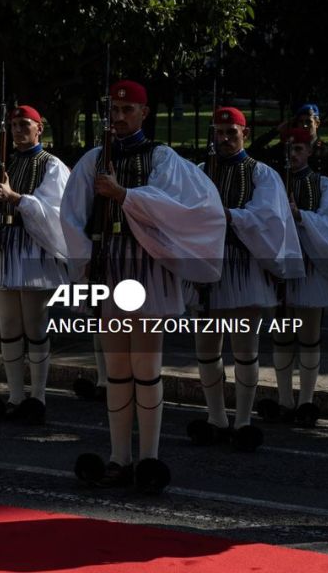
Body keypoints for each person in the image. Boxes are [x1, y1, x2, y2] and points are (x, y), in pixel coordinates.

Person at [62, 80, 225, 492]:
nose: (119, 118)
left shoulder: (162, 158)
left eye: (128, 110)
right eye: (114, 111)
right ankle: (119, 457)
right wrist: (86, 266)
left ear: (144, 113)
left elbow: (181, 209)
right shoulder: (93, 159)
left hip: (147, 270)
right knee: (117, 371)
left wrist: (123, 195)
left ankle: (149, 457)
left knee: (146, 369)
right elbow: (71, 216)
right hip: (110, 270)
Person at [189, 106, 303, 452]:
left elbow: (268, 218)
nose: (223, 139)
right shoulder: (198, 171)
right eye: (218, 133)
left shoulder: (262, 174)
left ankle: (243, 420)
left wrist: (228, 216)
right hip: (209, 270)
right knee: (206, 349)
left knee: (244, 349)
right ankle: (216, 419)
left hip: (243, 269)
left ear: (245, 134)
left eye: (231, 133)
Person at [257, 127, 328, 427]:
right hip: (280, 272)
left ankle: (307, 401)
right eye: (288, 149)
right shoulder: (271, 183)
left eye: (299, 149)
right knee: (281, 337)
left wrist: (301, 216)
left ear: (310, 151)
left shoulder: (321, 185)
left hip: (310, 271)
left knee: (309, 337)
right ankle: (285, 399)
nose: (292, 155)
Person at [0, 104, 70, 424]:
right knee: (9, 327)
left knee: (35, 325)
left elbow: (55, 211)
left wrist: (17, 199)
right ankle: (15, 396)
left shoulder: (52, 165)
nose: (18, 130)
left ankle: (39, 396)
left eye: (24, 124)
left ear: (39, 127)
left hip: (33, 253)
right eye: (14, 125)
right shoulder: (0, 165)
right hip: (3, 251)